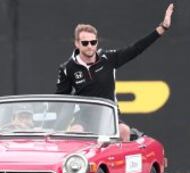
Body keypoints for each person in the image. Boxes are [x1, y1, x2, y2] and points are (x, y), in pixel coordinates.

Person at [56, 4, 174, 141]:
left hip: (108, 115)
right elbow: (60, 100)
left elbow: (136, 49)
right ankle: (78, 163)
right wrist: (47, 125)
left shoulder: (108, 58)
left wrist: (162, 28)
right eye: (85, 43)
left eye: (93, 42)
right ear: (77, 43)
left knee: (124, 131)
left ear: (97, 42)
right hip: (84, 117)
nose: (90, 46)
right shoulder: (67, 68)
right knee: (75, 131)